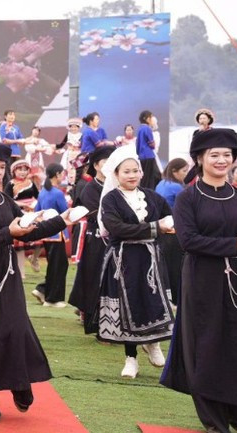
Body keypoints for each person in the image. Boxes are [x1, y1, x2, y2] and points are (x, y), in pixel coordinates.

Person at [0, 140, 72, 423]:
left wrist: (62, 221)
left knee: (16, 329)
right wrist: (8, 232)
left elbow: (26, 231)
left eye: (1, 167)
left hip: (7, 274)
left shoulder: (4, 199)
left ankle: (20, 382)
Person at [161, 128, 237, 433]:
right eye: (214, 155)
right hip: (201, 281)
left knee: (236, 344)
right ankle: (213, 420)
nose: (222, 160)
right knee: (206, 347)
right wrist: (234, 244)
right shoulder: (188, 198)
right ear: (200, 159)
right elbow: (189, 241)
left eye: (227, 155)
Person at [96, 145, 174, 379]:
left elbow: (167, 215)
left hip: (150, 258)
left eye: (135, 170)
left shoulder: (152, 196)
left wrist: (166, 225)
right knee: (127, 306)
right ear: (116, 175)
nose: (132, 175)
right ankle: (131, 358)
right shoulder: (110, 200)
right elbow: (117, 228)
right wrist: (154, 227)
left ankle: (154, 344)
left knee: (153, 301)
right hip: (123, 260)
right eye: (126, 171)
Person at [67, 145, 116, 333]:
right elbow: (96, 214)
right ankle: (94, 322)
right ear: (96, 165)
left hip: (113, 240)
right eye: (106, 162)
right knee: (93, 278)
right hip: (95, 241)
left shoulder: (114, 187)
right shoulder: (90, 188)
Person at [33, 163, 69, 307]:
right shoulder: (57, 193)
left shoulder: (42, 192)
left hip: (46, 232)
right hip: (57, 232)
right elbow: (65, 212)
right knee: (59, 265)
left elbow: (37, 210)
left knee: (54, 264)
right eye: (62, 174)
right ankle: (53, 299)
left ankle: (43, 290)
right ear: (58, 174)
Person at [155, 158, 189, 305]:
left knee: (167, 268)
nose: (186, 174)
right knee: (176, 269)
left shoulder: (161, 183)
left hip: (161, 231)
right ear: (175, 171)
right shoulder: (177, 188)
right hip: (174, 232)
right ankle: (176, 299)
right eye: (184, 171)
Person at [4, 160, 41, 278]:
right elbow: (7, 200)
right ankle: (21, 272)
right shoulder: (11, 184)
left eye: (25, 170)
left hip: (32, 213)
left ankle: (34, 258)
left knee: (41, 239)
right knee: (20, 246)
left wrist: (34, 204)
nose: (23, 172)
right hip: (18, 214)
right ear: (14, 171)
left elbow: (38, 197)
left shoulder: (31, 183)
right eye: (20, 169)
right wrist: (22, 205)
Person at [136, 110, 161, 189]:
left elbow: (137, 144)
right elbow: (151, 143)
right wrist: (153, 145)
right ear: (146, 118)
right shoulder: (147, 128)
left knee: (146, 176)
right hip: (149, 155)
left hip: (142, 156)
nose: (152, 119)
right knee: (152, 176)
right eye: (150, 117)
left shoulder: (140, 129)